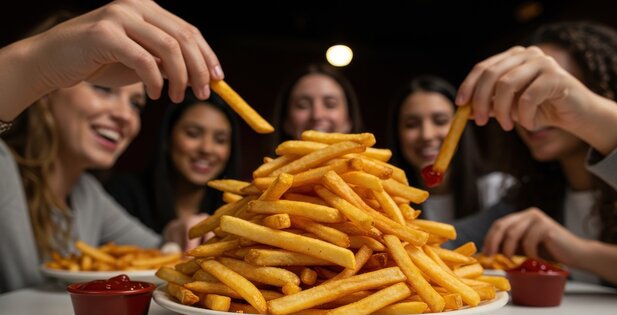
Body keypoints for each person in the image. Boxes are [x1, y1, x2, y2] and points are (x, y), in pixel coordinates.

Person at [0, 0, 224, 293]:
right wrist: (40, 60)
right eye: (103, 89)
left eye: (136, 104)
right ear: (46, 90)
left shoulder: (87, 195)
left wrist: (176, 231)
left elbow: (157, 250)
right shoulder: (4, 164)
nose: (124, 116)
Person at [451, 21, 617, 295]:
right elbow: (446, 240)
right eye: (520, 96)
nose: (530, 111)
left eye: (549, 91)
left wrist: (577, 251)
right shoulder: (529, 196)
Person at [105, 89, 241, 237]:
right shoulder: (123, 194)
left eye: (220, 140)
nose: (206, 149)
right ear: (168, 138)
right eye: (193, 133)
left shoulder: (237, 211)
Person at [387, 75, 511, 221]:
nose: (427, 135)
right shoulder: (385, 202)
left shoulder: (498, 190)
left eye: (440, 121)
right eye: (411, 124)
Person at [271, 63, 363, 144]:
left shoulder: (376, 164)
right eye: (303, 105)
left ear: (349, 120)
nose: (317, 115)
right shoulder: (264, 164)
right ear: (286, 122)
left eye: (330, 104)